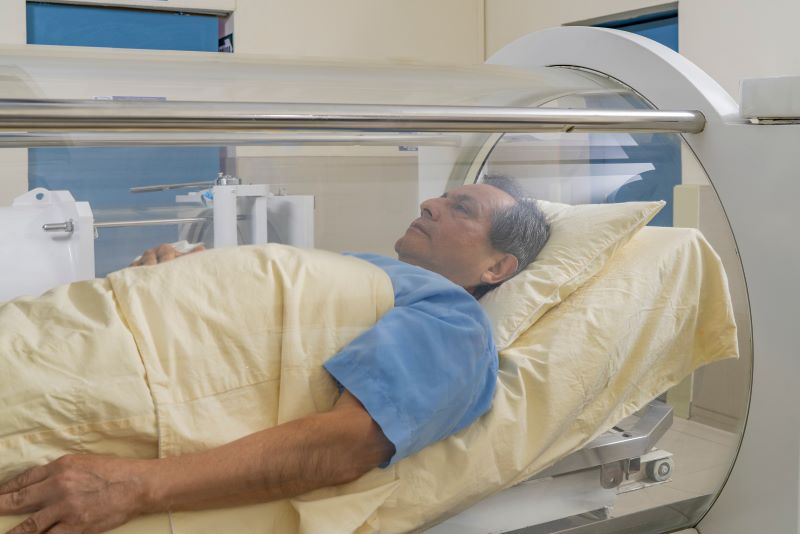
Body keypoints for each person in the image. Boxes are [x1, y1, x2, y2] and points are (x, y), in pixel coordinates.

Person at [0, 176, 549, 534]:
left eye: (461, 208)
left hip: (85, 375)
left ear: (497, 268)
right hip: (68, 325)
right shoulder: (359, 268)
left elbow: (348, 442)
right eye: (443, 196)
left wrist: (136, 486)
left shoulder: (458, 324)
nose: (430, 203)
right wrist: (176, 275)